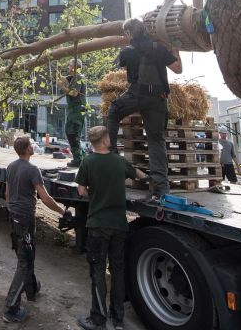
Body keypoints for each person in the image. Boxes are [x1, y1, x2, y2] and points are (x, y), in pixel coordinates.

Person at [75, 126, 146, 330]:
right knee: (117, 270)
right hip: (119, 225)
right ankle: (118, 319)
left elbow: (81, 191)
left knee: (97, 271)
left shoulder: (87, 162)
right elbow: (139, 175)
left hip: (98, 225)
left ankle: (98, 320)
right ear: (105, 140)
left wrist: (94, 195)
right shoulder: (119, 161)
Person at [105, 19, 182, 199]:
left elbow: (125, 66)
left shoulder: (127, 51)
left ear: (130, 34)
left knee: (114, 110)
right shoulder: (159, 48)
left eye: (126, 33)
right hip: (158, 99)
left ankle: (112, 152)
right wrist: (174, 49)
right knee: (156, 140)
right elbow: (177, 69)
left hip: (137, 96)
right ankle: (161, 187)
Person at [3, 135, 67, 323]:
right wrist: (62, 211)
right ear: (27, 149)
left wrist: (12, 209)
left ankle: (31, 288)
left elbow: (7, 193)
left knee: (26, 254)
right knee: (24, 261)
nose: (33, 147)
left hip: (14, 217)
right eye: (31, 145)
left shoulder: (10, 167)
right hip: (25, 219)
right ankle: (11, 308)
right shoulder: (32, 170)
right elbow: (45, 198)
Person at [57, 58, 86, 167]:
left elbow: (74, 93)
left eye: (69, 65)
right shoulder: (73, 78)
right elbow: (61, 80)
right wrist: (58, 71)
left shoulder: (79, 77)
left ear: (74, 67)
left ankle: (79, 159)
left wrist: (62, 87)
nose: (68, 67)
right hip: (73, 110)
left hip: (78, 110)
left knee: (73, 133)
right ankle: (80, 158)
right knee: (70, 132)